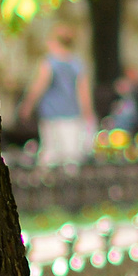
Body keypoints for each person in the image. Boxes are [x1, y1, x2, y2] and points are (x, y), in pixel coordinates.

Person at [22, 21, 94, 167]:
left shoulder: (49, 63)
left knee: (50, 153)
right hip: (72, 115)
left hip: (51, 115)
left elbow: (38, 86)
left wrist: (27, 105)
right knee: (71, 156)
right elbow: (84, 93)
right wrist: (88, 114)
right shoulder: (77, 64)